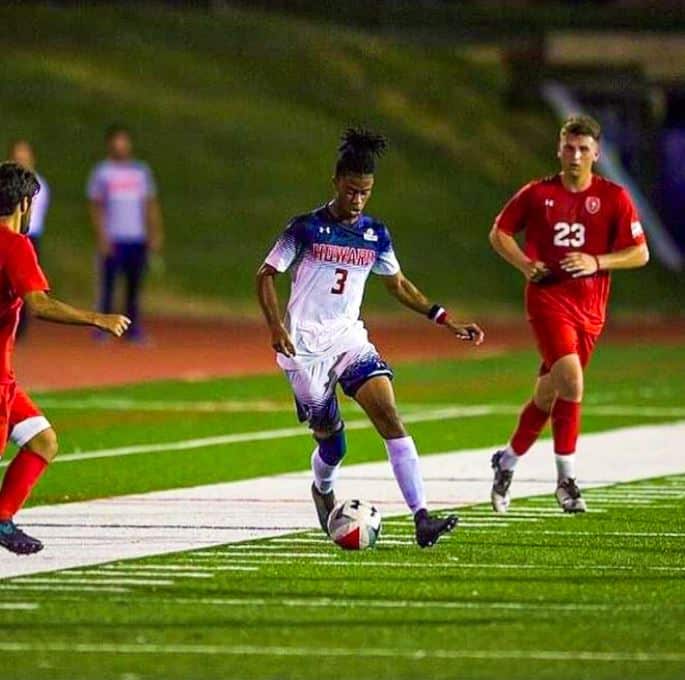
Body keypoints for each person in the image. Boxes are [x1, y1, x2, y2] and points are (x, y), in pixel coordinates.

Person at [256, 129, 484, 548]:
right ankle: (323, 489)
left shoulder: (375, 234)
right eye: (351, 191)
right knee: (333, 444)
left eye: (365, 193)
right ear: (335, 183)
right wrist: (276, 327)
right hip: (304, 348)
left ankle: (421, 517)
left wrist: (444, 318)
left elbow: (398, 284)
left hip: (350, 341)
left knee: (390, 417)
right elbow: (265, 276)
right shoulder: (305, 229)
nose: (357, 201)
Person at [488, 114, 649, 514]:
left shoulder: (614, 197)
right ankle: (566, 482)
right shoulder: (537, 193)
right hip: (548, 302)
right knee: (572, 383)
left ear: (596, 153)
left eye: (583, 149)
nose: (575, 155)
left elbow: (640, 253)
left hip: (590, 311)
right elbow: (499, 232)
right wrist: (526, 265)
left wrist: (597, 262)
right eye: (569, 147)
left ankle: (506, 462)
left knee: (549, 395)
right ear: (558, 149)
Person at [0, 162, 130, 555]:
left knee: (43, 440)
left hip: (7, 379)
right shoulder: (15, 245)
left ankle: (3, 519)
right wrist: (97, 318)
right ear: (24, 203)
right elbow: (38, 304)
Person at [87, 124, 164, 341]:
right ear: (110, 144)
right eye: (116, 141)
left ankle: (133, 328)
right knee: (108, 287)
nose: (121, 146)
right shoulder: (102, 172)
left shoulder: (140, 172)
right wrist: (102, 236)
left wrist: (154, 233)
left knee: (134, 289)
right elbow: (96, 206)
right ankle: (103, 328)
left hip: (136, 238)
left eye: (124, 141)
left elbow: (150, 204)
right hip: (114, 238)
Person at [9, 140, 50, 339]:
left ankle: (20, 326)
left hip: (30, 237)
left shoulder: (39, 185)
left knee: (27, 288)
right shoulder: (6, 183)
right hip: (11, 237)